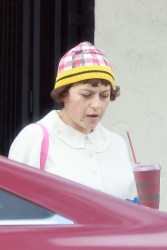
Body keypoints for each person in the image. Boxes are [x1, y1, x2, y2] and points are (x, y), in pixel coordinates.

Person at [8, 41, 134, 200]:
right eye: (86, 95)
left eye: (104, 95)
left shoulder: (116, 143)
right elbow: (15, 208)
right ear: (63, 94)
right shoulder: (35, 138)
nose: (96, 105)